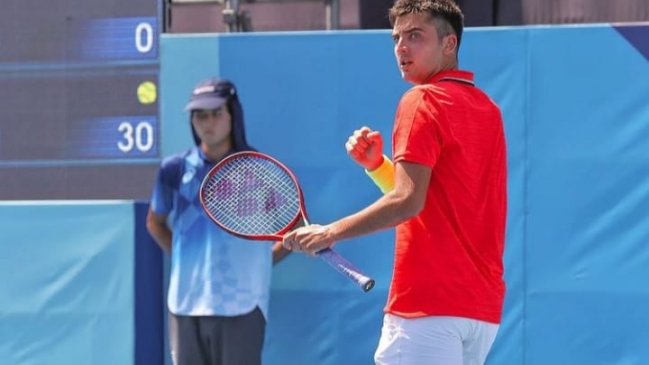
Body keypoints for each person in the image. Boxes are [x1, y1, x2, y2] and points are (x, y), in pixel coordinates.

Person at [283, 1, 507, 364]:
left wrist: (329, 233)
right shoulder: (488, 109)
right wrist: (377, 166)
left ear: (449, 44)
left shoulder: (420, 100)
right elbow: (431, 201)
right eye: (397, 38)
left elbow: (408, 200)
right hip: (480, 312)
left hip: (427, 307)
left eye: (415, 36)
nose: (401, 48)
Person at [146, 77, 291, 365]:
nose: (207, 122)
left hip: (243, 305)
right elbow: (155, 222)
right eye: (200, 115)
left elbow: (293, 231)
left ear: (233, 115)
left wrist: (262, 262)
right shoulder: (174, 170)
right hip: (185, 306)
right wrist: (184, 260)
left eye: (215, 113)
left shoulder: (259, 169)